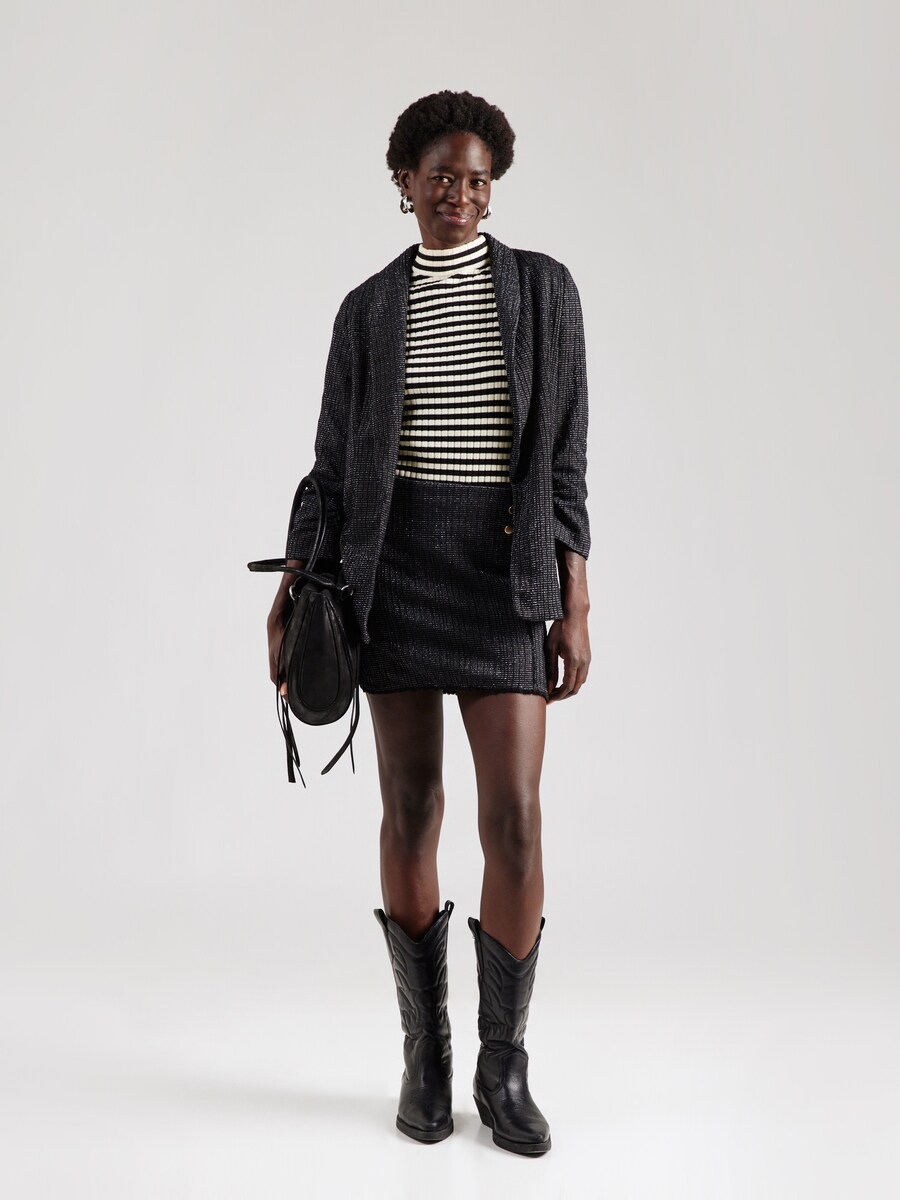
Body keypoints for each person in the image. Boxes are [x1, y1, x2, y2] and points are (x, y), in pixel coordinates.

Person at [266, 90, 591, 1157]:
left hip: (505, 580)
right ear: (403, 182)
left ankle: (505, 1065)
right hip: (393, 576)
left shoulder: (543, 291)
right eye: (441, 177)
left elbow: (565, 461)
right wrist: (294, 587)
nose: (459, 194)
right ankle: (428, 1053)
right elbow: (331, 467)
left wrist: (575, 597)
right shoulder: (366, 310)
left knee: (517, 819)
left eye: (477, 180)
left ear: (494, 189)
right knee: (410, 812)